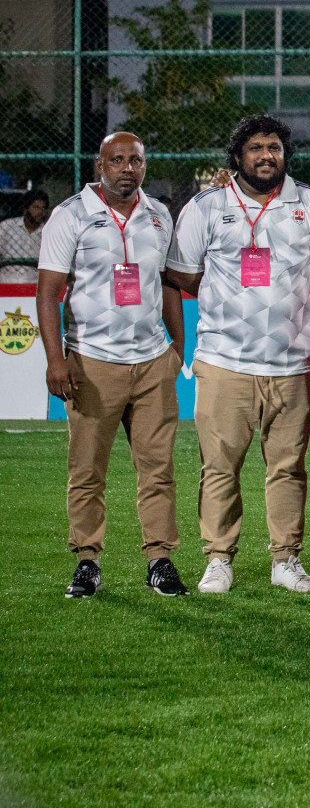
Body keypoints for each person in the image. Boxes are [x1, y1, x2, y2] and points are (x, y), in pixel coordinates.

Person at [164, 115, 310, 594]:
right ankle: (219, 558)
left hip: (293, 362)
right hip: (224, 361)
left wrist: (284, 296)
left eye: (275, 147)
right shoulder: (207, 206)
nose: (267, 155)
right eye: (256, 148)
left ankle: (286, 559)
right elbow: (182, 274)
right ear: (237, 156)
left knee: (288, 467)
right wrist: (230, 298)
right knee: (219, 466)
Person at [37, 133, 185, 599]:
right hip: (91, 362)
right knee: (87, 470)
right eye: (117, 159)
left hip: (152, 363)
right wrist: (55, 359)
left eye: (135, 160)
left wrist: (177, 348)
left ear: (145, 165)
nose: (127, 168)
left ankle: (159, 560)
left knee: (157, 469)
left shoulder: (159, 215)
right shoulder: (70, 215)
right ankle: (87, 562)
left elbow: (169, 285)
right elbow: (48, 291)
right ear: (99, 163)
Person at [0, 189, 49, 283]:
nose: (40, 212)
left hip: (34, 286)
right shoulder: (7, 227)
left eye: (43, 208)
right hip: (6, 283)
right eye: (35, 207)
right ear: (25, 209)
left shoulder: (48, 232)